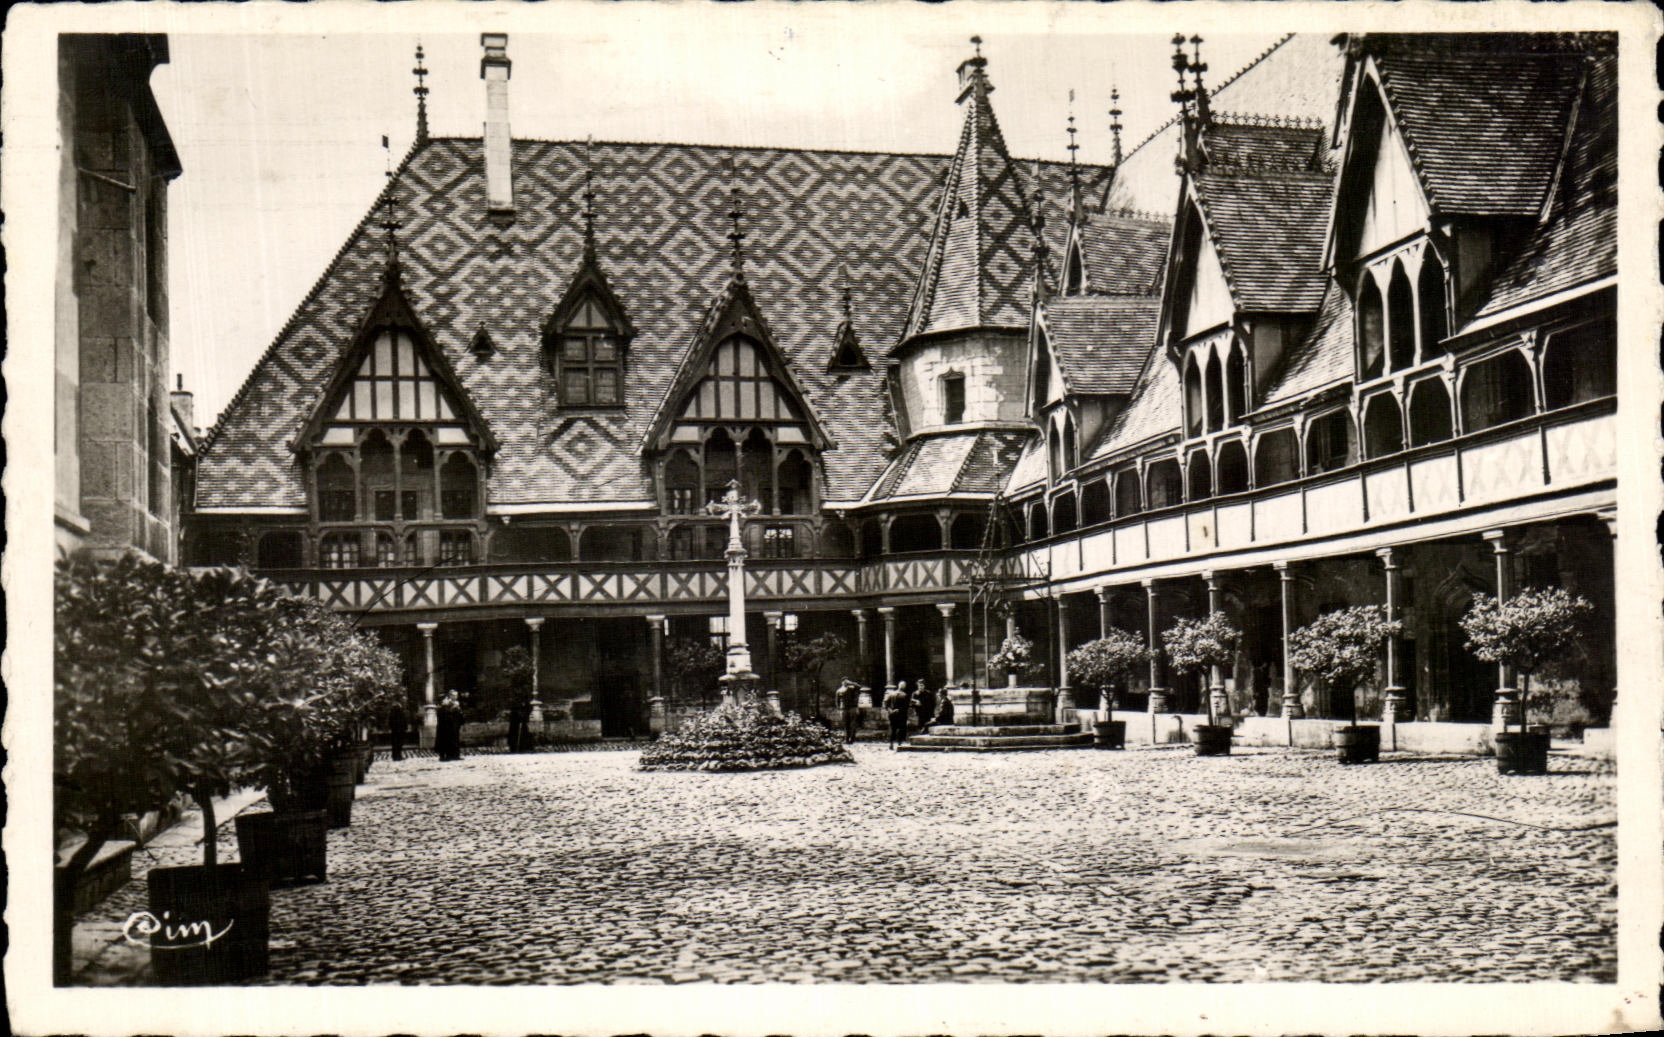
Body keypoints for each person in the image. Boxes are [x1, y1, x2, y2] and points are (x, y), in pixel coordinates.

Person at [438, 691, 465, 761]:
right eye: (454, 695)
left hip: (455, 725)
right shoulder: (446, 703)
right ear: (450, 696)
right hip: (447, 725)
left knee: (455, 739)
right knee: (446, 740)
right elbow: (444, 714)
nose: (455, 697)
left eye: (456, 695)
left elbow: (459, 714)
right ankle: (447, 755)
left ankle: (455, 755)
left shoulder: (456, 703)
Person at [885, 681, 911, 749]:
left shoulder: (891, 694)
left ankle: (891, 743)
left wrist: (889, 710)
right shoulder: (904, 695)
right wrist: (899, 710)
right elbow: (906, 706)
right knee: (901, 729)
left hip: (892, 714)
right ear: (904, 687)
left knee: (892, 728)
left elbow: (886, 703)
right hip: (901, 714)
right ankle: (899, 743)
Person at [839, 678, 862, 743]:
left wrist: (851, 683)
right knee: (846, 724)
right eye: (844, 682)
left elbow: (859, 687)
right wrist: (840, 709)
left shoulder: (852, 689)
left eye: (846, 682)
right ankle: (846, 739)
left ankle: (852, 739)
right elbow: (837, 701)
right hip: (844, 709)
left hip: (853, 708)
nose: (845, 683)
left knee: (853, 724)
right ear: (841, 682)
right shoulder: (839, 690)